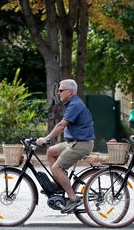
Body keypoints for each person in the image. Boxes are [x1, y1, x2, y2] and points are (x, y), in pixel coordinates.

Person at [36, 79, 95, 214]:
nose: (58, 93)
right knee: (51, 152)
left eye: (61, 90)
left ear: (70, 92)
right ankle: (58, 183)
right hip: (73, 142)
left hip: (81, 144)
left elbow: (61, 125)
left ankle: (73, 198)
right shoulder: (71, 103)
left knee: (57, 167)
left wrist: (46, 138)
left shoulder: (75, 105)